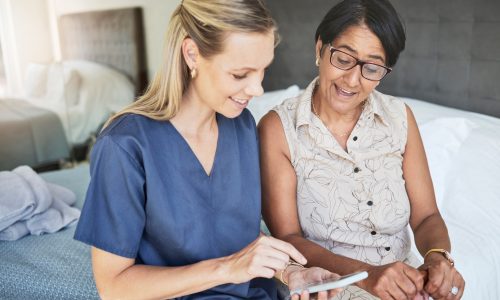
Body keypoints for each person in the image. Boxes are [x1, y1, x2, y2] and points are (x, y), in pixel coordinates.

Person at [74, 0, 342, 299]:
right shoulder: (124, 145)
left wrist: (290, 272)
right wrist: (228, 269)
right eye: (241, 75)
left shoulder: (240, 126)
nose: (257, 89)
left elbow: (234, 235)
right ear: (192, 55)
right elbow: (113, 287)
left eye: (262, 70)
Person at [258, 0, 465, 299]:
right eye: (343, 59)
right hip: (326, 284)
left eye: (372, 68)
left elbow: (426, 217)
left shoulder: (399, 117)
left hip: (403, 279)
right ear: (320, 49)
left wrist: (437, 257)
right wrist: (368, 276)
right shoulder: (278, 128)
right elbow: (288, 238)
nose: (352, 80)